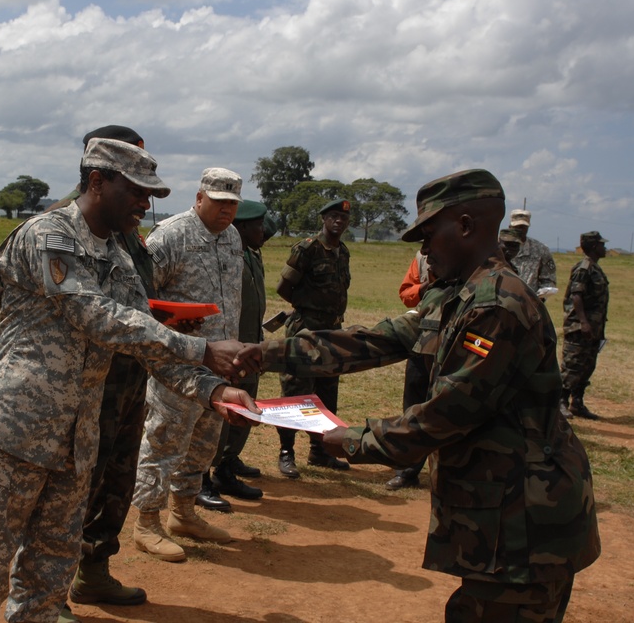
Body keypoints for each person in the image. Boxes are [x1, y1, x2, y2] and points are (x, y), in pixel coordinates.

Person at [238, 169, 600, 622]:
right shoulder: (460, 296)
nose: (423, 250)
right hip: (504, 510)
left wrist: (351, 440)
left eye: (429, 235)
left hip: (524, 519)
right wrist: (266, 353)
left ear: (466, 226)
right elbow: (377, 339)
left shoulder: (496, 306)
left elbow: (446, 414)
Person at [0, 138, 259, 623]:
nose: (145, 205)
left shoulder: (119, 256)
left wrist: (212, 388)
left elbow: (143, 341)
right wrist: (204, 349)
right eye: (136, 192)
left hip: (75, 441)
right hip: (14, 432)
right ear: (96, 181)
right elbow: (96, 314)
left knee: (48, 574)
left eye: (149, 195)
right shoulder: (48, 234)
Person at [46, 126, 153, 622]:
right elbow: (81, 310)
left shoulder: (125, 228)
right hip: (88, 382)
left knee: (118, 478)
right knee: (74, 486)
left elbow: (132, 303)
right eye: (132, 175)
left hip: (131, 377)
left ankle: (94, 571)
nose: (143, 193)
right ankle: (52, 591)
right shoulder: (58, 227)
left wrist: (163, 324)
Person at [132, 167, 245, 561]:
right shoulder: (172, 235)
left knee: (203, 442)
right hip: (177, 361)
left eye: (232, 203)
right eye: (219, 202)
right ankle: (146, 522)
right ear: (199, 198)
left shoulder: (233, 238)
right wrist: (172, 319)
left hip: (219, 365)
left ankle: (183, 513)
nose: (226, 210)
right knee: (164, 440)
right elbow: (138, 293)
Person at [202, 201, 275, 506]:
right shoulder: (224, 258)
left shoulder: (250, 255)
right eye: (258, 226)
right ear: (242, 228)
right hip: (227, 349)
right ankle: (201, 475)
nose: (264, 231)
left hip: (251, 346)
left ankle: (228, 464)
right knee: (218, 415)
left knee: (245, 410)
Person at [275, 198, 352, 478]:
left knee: (326, 393)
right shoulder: (307, 248)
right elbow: (284, 287)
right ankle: (286, 452)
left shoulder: (342, 252)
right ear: (323, 219)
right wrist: (306, 308)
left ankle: (320, 451)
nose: (338, 222)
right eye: (333, 216)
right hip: (305, 330)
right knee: (296, 393)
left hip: (332, 333)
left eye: (343, 218)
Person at [385, 250, 431, 491]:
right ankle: (408, 470)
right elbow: (406, 293)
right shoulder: (422, 256)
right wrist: (424, 288)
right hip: (423, 339)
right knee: (413, 406)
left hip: (459, 342)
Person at [559, 231, 610, 421]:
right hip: (579, 328)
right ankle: (561, 402)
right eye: (602, 245)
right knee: (573, 365)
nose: (604, 248)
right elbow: (576, 295)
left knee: (587, 366)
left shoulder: (595, 268)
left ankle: (577, 403)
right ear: (594, 247)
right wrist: (583, 322)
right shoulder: (584, 267)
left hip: (594, 328)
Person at [509, 209, 558, 299]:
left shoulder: (541, 249)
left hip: (530, 303)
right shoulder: (499, 247)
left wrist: (539, 298)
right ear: (510, 227)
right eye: (517, 227)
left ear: (528, 227)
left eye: (523, 227)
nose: (520, 230)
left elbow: (549, 281)